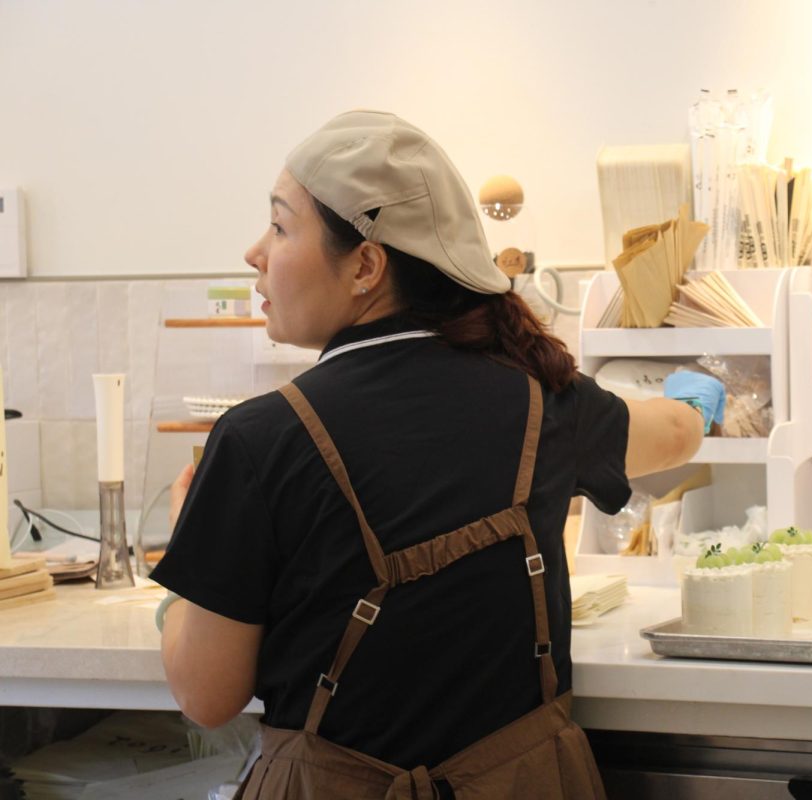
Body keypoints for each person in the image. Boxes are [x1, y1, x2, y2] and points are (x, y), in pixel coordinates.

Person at [150, 110, 725, 799]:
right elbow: (673, 435)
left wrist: (191, 552)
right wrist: (699, 400)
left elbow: (205, 694)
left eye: (279, 226)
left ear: (366, 264)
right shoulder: (543, 403)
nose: (255, 253)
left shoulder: (255, 440)